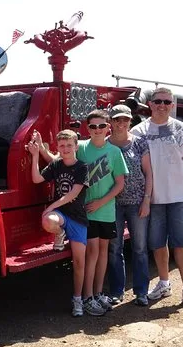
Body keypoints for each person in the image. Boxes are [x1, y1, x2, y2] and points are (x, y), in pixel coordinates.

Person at [35, 110, 127, 316]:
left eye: (101, 126)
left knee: (103, 252)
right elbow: (59, 159)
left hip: (106, 210)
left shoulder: (114, 152)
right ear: (88, 128)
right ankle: (87, 297)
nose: (97, 130)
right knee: (92, 253)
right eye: (93, 126)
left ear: (108, 127)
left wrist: (101, 202)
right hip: (86, 212)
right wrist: (40, 150)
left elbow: (120, 183)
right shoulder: (81, 147)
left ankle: (97, 293)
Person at [131, 87, 183, 310]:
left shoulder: (182, 130)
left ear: (172, 105)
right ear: (150, 104)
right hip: (153, 198)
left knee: (182, 244)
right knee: (157, 243)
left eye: (167, 102)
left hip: (178, 196)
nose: (162, 106)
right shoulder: (138, 132)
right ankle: (163, 283)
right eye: (158, 101)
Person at [27, 129, 89, 317]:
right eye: (62, 146)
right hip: (61, 215)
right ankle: (60, 233)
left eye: (69, 145)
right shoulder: (56, 165)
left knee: (79, 262)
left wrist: (51, 206)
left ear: (76, 146)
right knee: (48, 220)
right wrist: (35, 154)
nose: (66, 148)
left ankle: (77, 299)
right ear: (58, 148)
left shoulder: (82, 167)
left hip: (77, 217)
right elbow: (37, 178)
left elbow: (73, 194)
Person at [107, 105, 153, 306]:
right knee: (114, 248)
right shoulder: (104, 144)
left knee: (140, 247)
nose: (121, 123)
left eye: (125, 119)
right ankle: (116, 291)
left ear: (130, 121)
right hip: (112, 204)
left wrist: (147, 200)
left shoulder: (140, 143)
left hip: (137, 203)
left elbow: (149, 173)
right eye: (117, 119)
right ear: (111, 122)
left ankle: (141, 291)